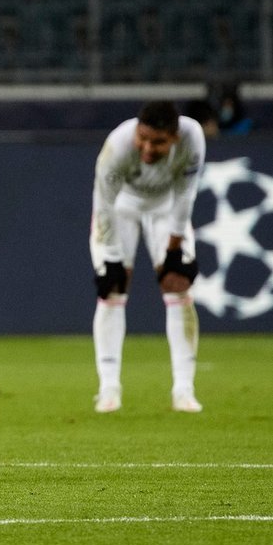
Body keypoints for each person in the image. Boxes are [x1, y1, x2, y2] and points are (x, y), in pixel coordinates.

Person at [90, 101, 205, 414]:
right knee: (112, 288)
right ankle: (109, 388)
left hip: (166, 208)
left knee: (178, 284)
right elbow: (103, 205)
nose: (147, 147)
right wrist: (112, 257)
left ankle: (184, 389)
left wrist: (173, 249)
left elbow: (186, 194)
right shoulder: (118, 145)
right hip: (119, 209)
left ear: (175, 138)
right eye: (144, 138)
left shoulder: (193, 137)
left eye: (158, 142)